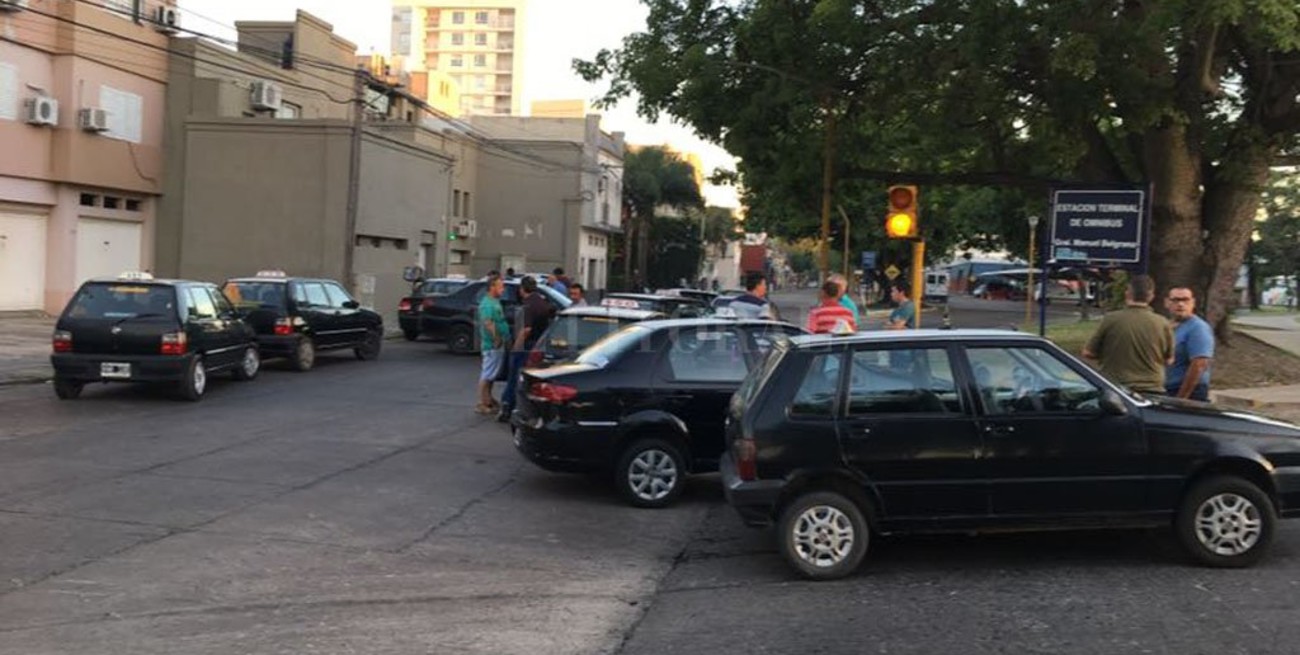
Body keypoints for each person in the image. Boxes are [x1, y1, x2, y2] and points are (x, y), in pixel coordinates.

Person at [1082, 274, 1174, 394]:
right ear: (1151, 297)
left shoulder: (1111, 319)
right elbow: (1169, 360)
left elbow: (1088, 352)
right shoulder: (1163, 323)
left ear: (1127, 293)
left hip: (1117, 387)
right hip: (1152, 387)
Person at [499, 276, 554, 421]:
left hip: (525, 346)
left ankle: (507, 407)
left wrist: (516, 347)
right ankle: (526, 408)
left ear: (522, 289)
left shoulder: (528, 305)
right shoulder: (542, 302)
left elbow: (526, 329)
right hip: (538, 345)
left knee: (514, 377)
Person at [1164, 287, 1214, 401]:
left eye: (1185, 300)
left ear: (1193, 303)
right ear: (1167, 303)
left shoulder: (1198, 328)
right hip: (1168, 389)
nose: (1180, 304)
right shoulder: (1169, 326)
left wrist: (1181, 399)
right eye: (1175, 300)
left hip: (1189, 391)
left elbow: (1199, 364)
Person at [476, 273, 510, 414]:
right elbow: (488, 322)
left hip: (498, 344)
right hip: (492, 345)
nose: (503, 289)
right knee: (487, 374)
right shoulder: (487, 304)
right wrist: (496, 337)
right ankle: (482, 403)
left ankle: (488, 399)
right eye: (500, 286)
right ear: (492, 287)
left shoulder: (495, 301)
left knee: (491, 375)